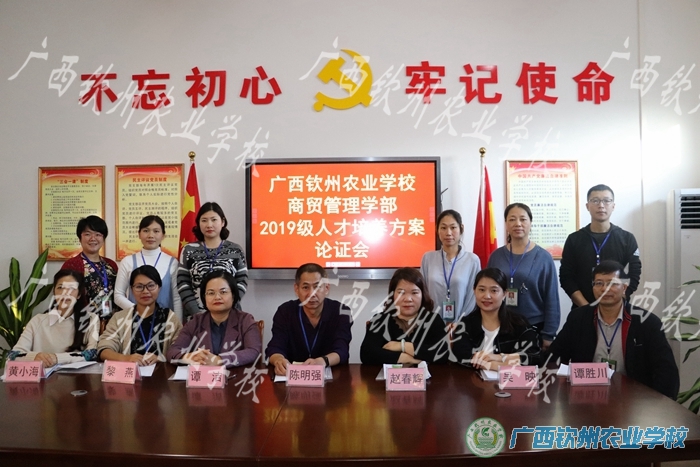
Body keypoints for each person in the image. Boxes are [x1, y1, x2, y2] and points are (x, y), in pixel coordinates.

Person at [547, 260, 679, 399]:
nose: (605, 289)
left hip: (634, 401)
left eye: (613, 283)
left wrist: (657, 406)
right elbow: (554, 357)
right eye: (599, 283)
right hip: (586, 397)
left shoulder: (646, 322)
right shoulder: (578, 318)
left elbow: (666, 372)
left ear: (624, 287)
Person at [487, 203, 560, 347]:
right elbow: (487, 292)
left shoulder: (543, 257)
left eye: (523, 219)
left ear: (530, 223)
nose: (518, 224)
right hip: (500, 325)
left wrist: (549, 334)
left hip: (533, 326)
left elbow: (551, 298)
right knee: (499, 362)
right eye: (512, 219)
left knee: (529, 362)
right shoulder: (496, 256)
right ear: (506, 224)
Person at [559, 184, 641, 309]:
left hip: (617, 308)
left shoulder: (627, 238)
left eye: (606, 201)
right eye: (595, 201)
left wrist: (619, 298)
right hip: (582, 309)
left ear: (613, 206)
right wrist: (586, 307)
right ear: (587, 206)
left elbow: (634, 273)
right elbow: (566, 277)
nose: (601, 205)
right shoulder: (574, 239)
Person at [265, 263, 353, 376]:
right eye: (305, 287)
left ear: (326, 288)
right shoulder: (285, 311)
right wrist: (278, 360)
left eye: (317, 287)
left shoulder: (341, 312)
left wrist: (322, 361)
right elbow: (275, 347)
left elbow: (342, 350)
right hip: (292, 378)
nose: (312, 294)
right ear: (296, 289)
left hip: (332, 379)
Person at [167, 270, 261, 368]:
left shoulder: (245, 320)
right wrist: (189, 357)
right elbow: (172, 352)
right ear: (204, 297)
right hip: (204, 376)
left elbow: (253, 351)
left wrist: (220, 360)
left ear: (233, 295)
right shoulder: (195, 322)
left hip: (236, 376)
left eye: (223, 292)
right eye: (211, 293)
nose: (217, 297)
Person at [452, 268, 541, 369]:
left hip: (510, 379)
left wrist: (499, 357)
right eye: (481, 290)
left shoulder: (519, 323)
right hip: (473, 378)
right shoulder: (466, 323)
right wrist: (494, 365)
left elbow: (535, 356)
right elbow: (460, 355)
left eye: (494, 291)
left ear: (504, 294)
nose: (487, 296)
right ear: (474, 291)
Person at [9, 270, 99, 366]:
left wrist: (57, 358)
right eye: (60, 287)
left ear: (79, 294)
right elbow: (13, 355)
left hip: (75, 375)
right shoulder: (37, 320)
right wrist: (34, 357)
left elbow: (91, 354)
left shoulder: (90, 319)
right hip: (43, 374)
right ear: (54, 292)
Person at [360, 267, 449, 365]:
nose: (408, 299)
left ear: (422, 295)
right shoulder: (380, 320)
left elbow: (442, 353)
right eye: (401, 293)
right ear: (392, 295)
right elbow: (367, 354)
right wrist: (408, 358)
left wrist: (402, 346)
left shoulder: (433, 320)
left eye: (414, 293)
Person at [97, 265, 182, 365]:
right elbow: (103, 349)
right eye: (139, 286)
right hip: (128, 373)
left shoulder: (170, 318)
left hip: (159, 373)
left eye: (151, 286)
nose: (145, 291)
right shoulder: (119, 318)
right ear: (132, 289)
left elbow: (179, 351)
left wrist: (161, 358)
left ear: (159, 287)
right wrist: (126, 358)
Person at [177, 202, 248, 319]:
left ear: (223, 222)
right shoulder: (188, 250)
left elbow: (242, 282)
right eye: (204, 220)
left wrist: (227, 308)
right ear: (198, 223)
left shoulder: (236, 250)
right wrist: (197, 313)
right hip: (196, 317)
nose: (209, 225)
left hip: (230, 316)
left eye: (214, 220)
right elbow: (182, 283)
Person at [114, 215, 182, 321]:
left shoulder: (172, 263)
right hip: (135, 322)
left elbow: (176, 298)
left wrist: (178, 325)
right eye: (146, 231)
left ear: (163, 235)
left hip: (165, 322)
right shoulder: (127, 261)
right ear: (139, 234)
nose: (151, 235)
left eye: (156, 231)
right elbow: (118, 295)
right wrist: (139, 312)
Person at [420, 209, 480, 322]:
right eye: (443, 228)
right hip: (431, 324)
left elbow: (472, 297)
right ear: (437, 230)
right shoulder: (428, 258)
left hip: (462, 325)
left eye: (453, 227)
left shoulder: (472, 260)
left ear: (461, 228)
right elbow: (422, 293)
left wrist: (460, 322)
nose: (448, 233)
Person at [61, 215, 118, 318]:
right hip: (83, 321)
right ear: (80, 238)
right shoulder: (71, 265)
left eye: (98, 234)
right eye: (87, 234)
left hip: (112, 322)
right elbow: (64, 296)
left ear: (103, 238)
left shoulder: (111, 265)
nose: (93, 238)